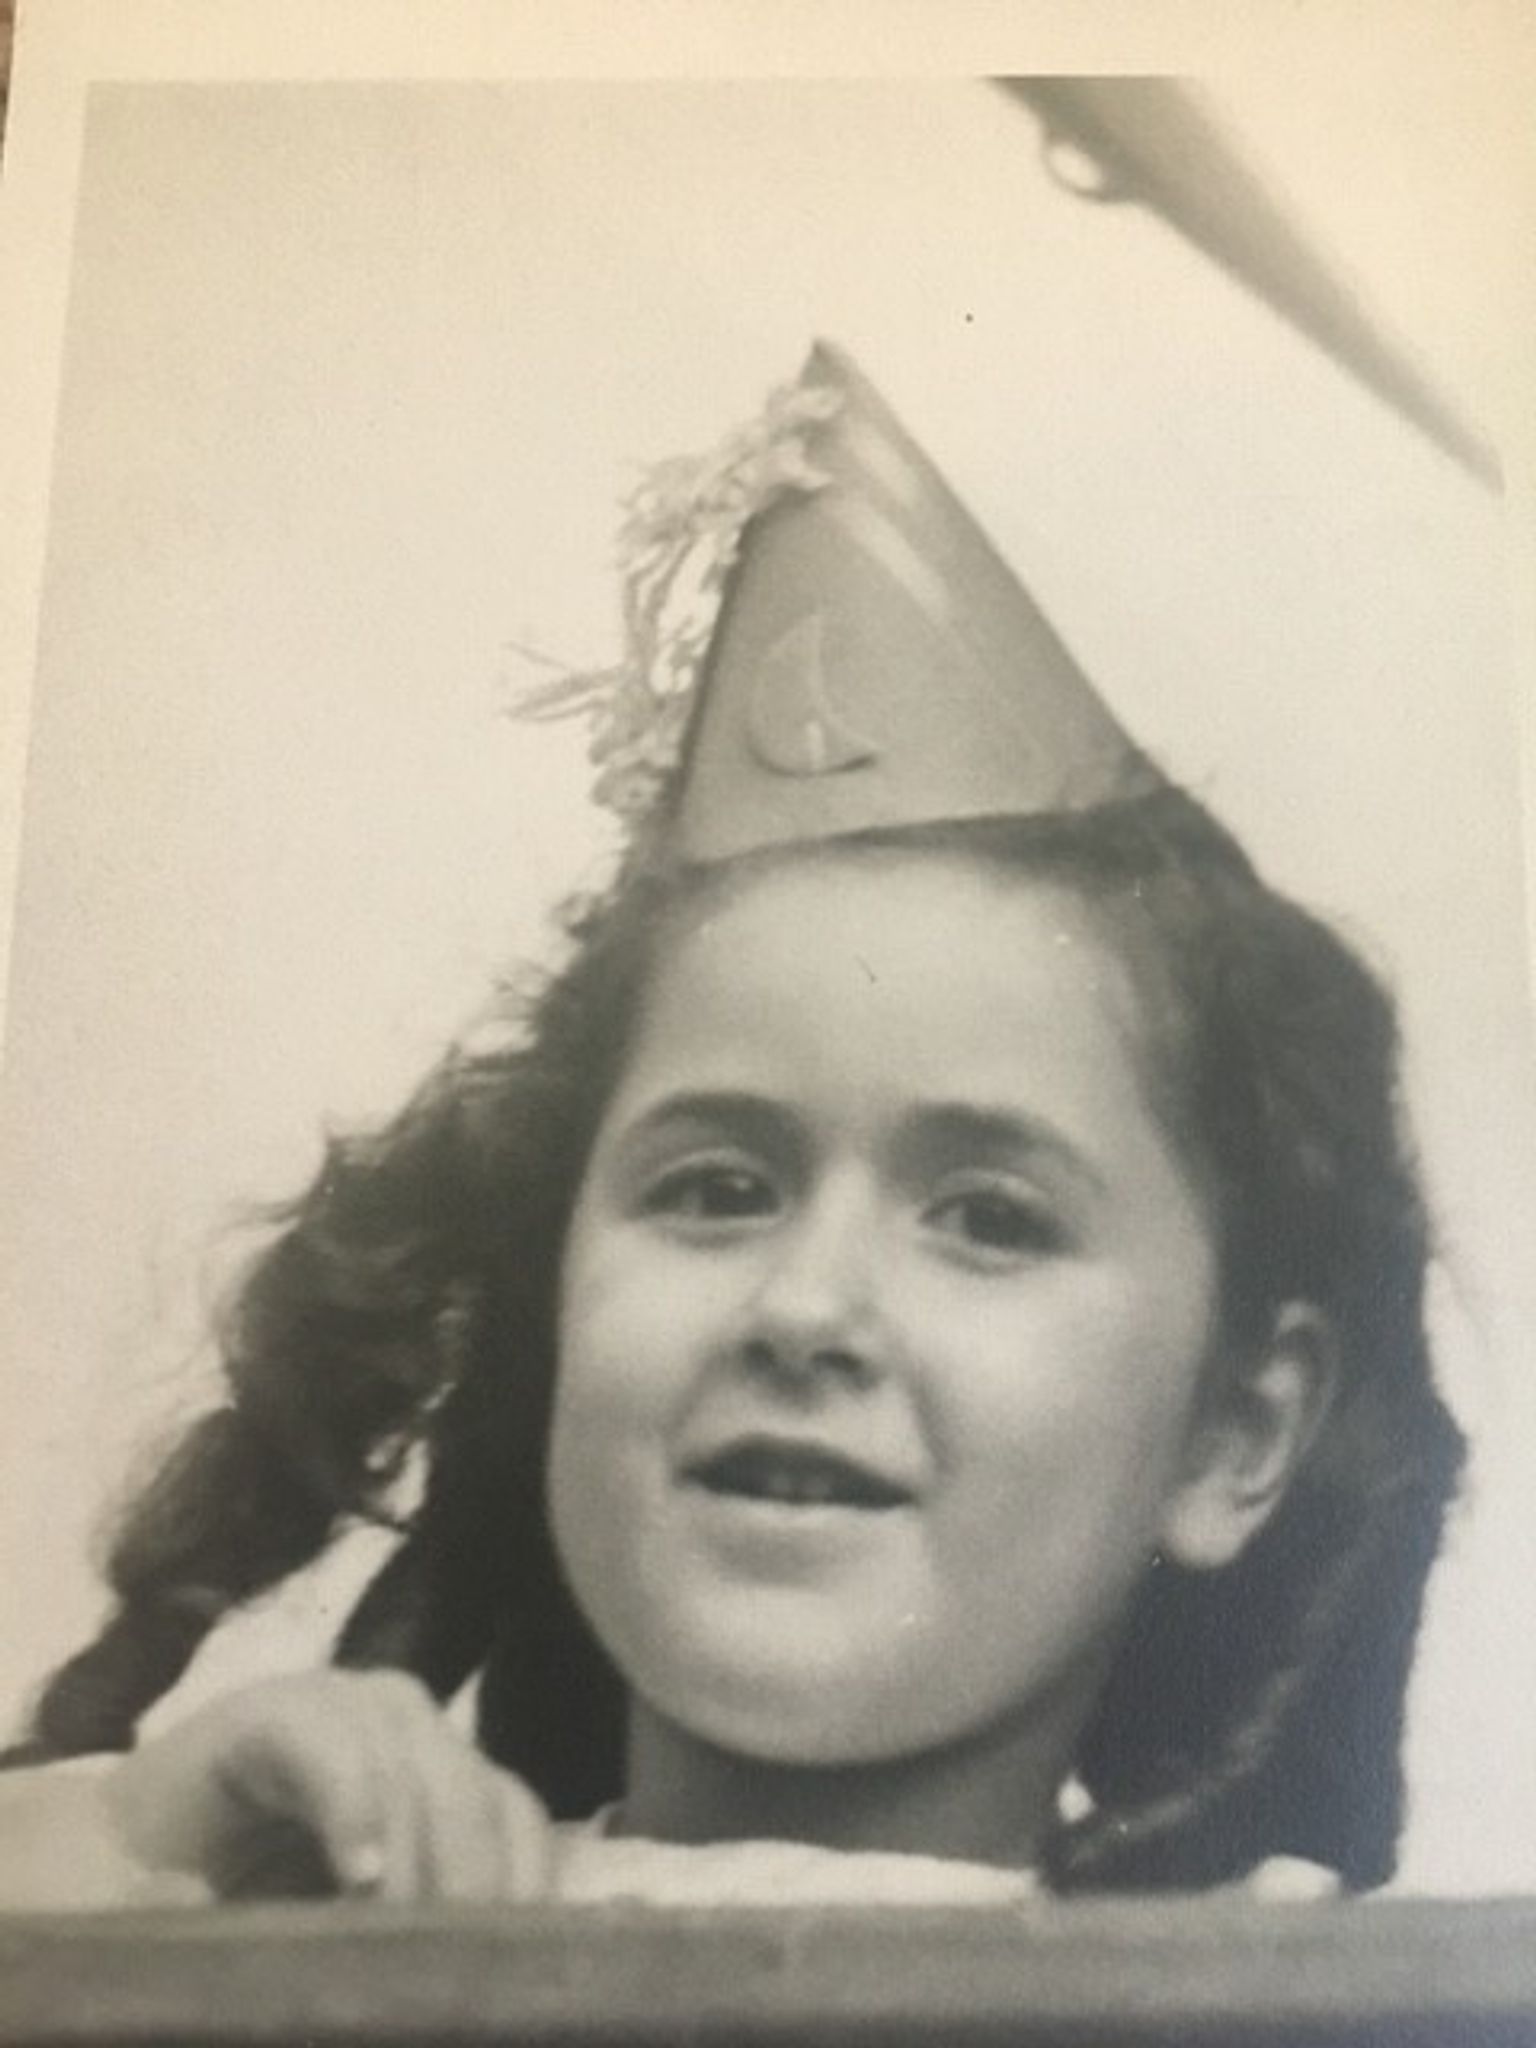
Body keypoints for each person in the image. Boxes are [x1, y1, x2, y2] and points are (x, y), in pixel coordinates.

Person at [0, 345, 1463, 1910]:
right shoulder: (269, 1918)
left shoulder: (1286, 1998)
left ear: (1235, 1433)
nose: (804, 1307)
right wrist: (129, 1855)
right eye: (713, 1190)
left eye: (990, 1218)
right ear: (556, 1307)